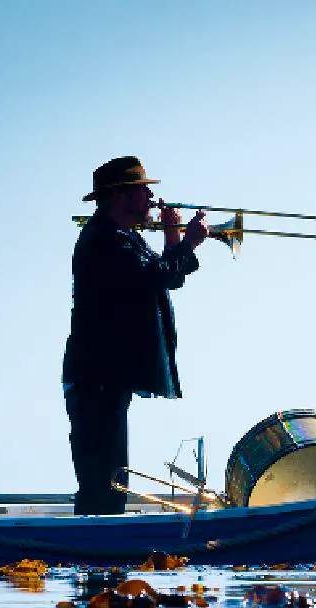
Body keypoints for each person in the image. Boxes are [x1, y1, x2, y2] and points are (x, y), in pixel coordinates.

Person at [62, 156, 209, 515]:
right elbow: (155, 276)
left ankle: (100, 562)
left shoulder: (126, 238)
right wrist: (186, 243)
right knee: (103, 482)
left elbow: (168, 278)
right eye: (143, 191)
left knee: (111, 480)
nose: (150, 199)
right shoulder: (105, 240)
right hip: (96, 377)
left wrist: (175, 239)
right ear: (120, 197)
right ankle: (94, 559)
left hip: (108, 377)